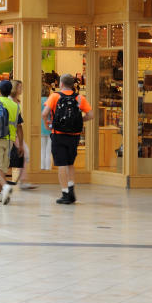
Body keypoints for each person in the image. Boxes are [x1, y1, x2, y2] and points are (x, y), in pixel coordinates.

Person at [41, 74, 94, 205]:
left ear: (61, 84)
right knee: (70, 164)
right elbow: (91, 115)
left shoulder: (55, 96)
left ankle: (65, 193)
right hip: (74, 136)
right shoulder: (80, 98)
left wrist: (47, 124)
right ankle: (71, 190)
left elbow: (44, 113)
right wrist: (80, 120)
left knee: (61, 164)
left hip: (58, 134)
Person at [7, 80, 36, 189]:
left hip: (14, 133)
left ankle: (22, 180)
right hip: (11, 133)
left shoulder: (16, 101)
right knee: (22, 153)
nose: (21, 89)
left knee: (24, 154)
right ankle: (21, 181)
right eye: (20, 87)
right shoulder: (12, 101)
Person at [39, 85, 52, 171]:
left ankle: (42, 166)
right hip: (50, 126)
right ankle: (48, 167)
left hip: (40, 126)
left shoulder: (38, 101)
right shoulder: (50, 100)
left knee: (42, 149)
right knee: (49, 150)